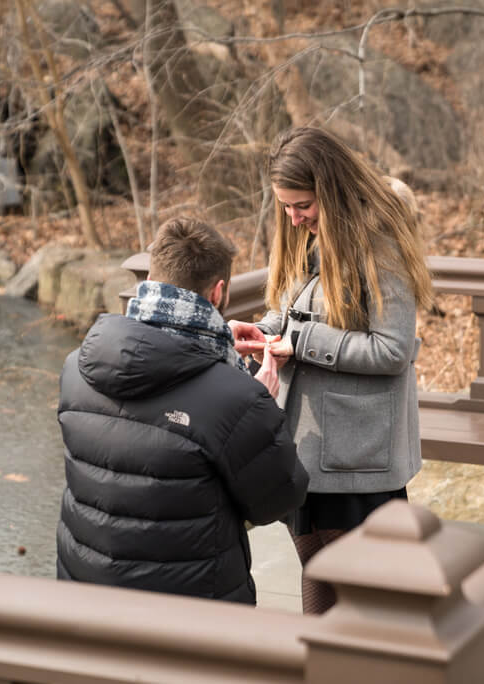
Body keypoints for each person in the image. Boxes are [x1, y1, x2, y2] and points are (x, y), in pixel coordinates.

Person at [228, 126, 434, 614]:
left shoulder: (380, 245)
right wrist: (265, 331)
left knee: (362, 591)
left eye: (302, 206)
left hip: (359, 457)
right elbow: (295, 306)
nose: (294, 219)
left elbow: (392, 350)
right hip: (307, 443)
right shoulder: (313, 234)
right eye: (286, 207)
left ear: (332, 190)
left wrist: (298, 342)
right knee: (316, 568)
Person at [56, 217, 308, 605]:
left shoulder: (76, 368)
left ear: (153, 279)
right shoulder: (236, 398)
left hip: (83, 601)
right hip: (190, 619)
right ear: (220, 291)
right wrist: (262, 405)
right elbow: (280, 496)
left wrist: (221, 360)